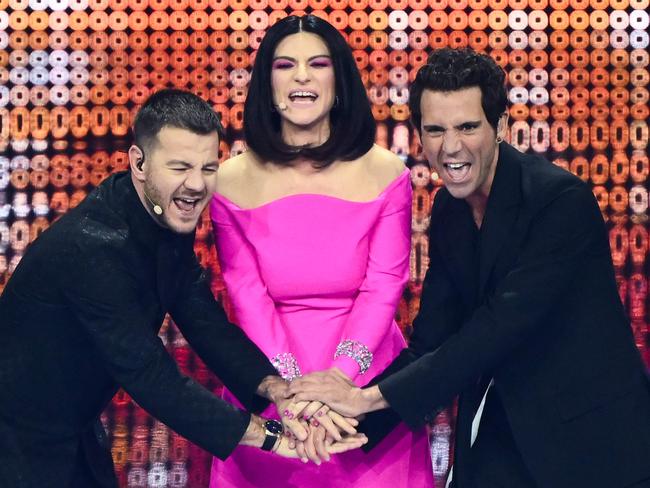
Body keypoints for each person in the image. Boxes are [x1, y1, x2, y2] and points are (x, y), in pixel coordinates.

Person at [289, 48, 650, 488]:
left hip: (591, 440)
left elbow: (496, 328)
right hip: (502, 432)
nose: (451, 147)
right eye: (436, 130)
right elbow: (432, 340)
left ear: (498, 126)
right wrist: (342, 421)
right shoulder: (448, 209)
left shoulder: (559, 201)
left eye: (467, 127)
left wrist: (367, 398)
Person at [0, 89, 366, 488]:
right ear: (138, 163)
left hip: (73, 434)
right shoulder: (93, 247)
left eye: (209, 168)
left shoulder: (160, 220)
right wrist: (271, 437)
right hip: (16, 443)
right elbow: (152, 377)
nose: (196, 185)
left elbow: (206, 324)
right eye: (180, 167)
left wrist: (277, 389)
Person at [209, 14, 433, 488]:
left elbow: (384, 284)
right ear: (267, 83)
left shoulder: (386, 171)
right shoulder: (228, 180)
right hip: (270, 372)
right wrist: (293, 391)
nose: (302, 77)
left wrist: (340, 379)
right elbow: (246, 293)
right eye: (285, 65)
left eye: (318, 64)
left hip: (366, 374)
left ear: (339, 81)